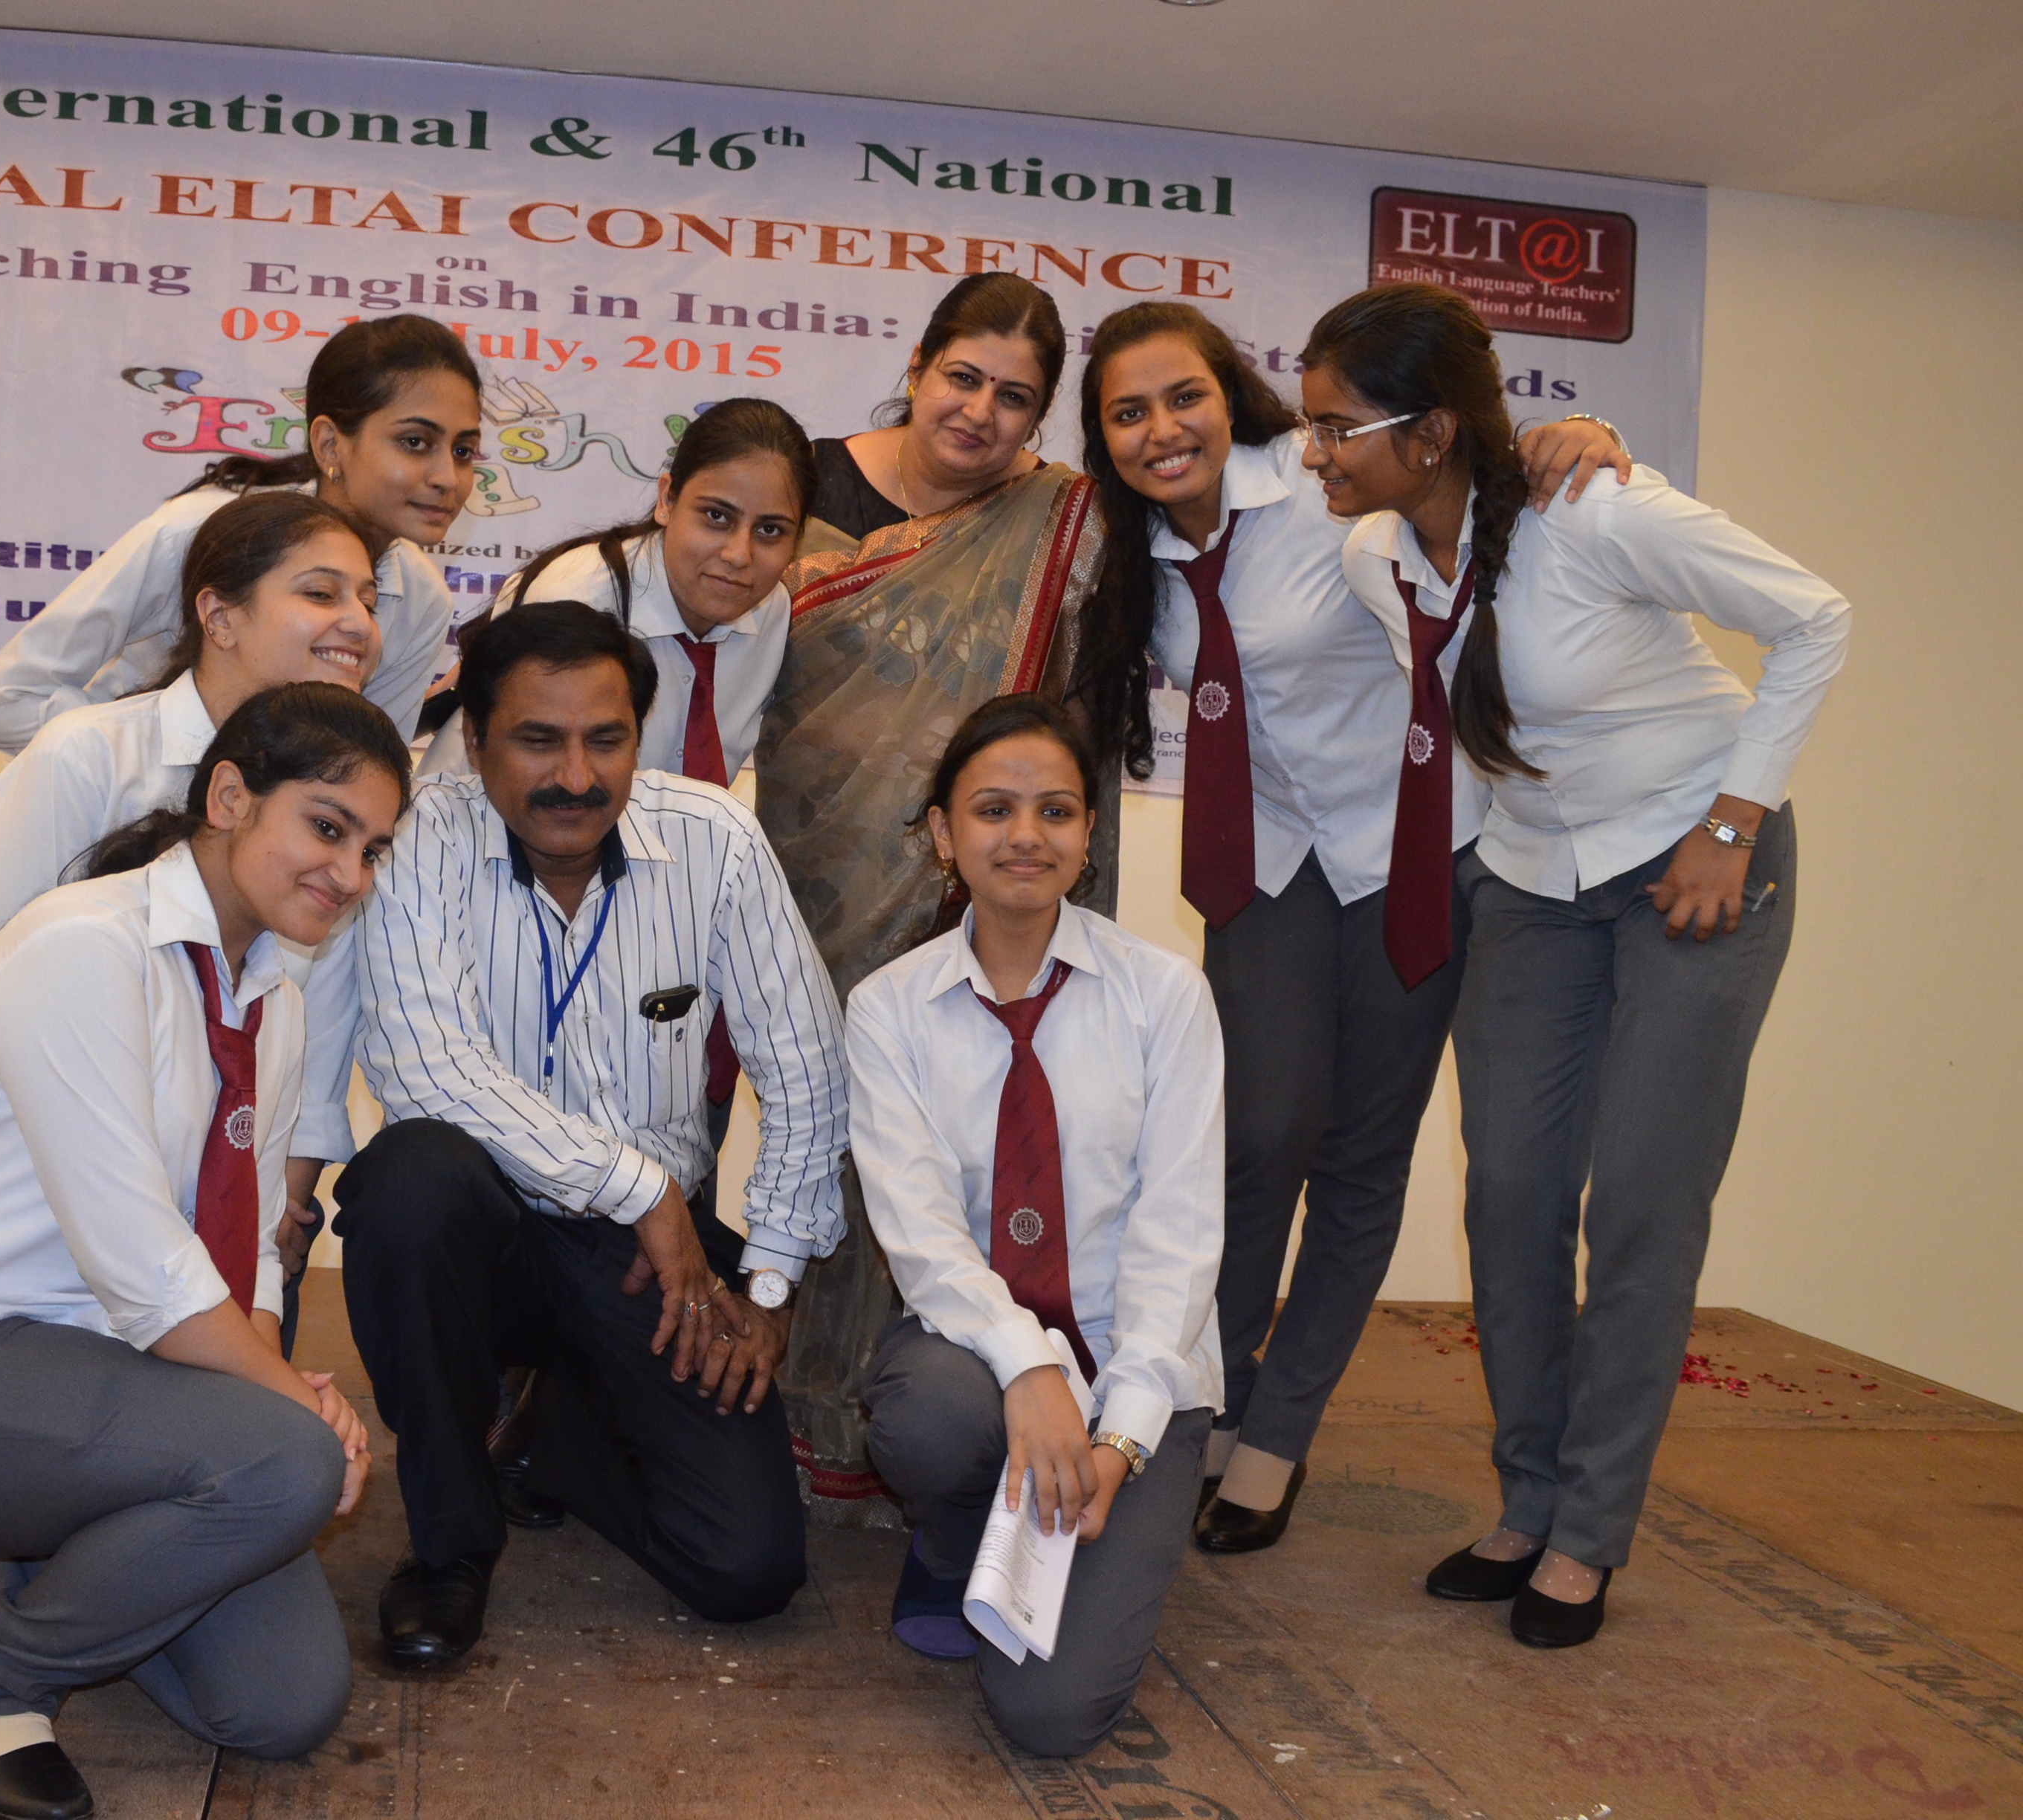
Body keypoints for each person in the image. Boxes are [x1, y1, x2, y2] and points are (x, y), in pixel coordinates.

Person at [1303, 283, 1850, 1647]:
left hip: (1692, 869)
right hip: (1533, 882)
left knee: (1644, 1205)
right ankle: (1528, 1500)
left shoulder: (1596, 513)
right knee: (1512, 1199)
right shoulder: (1377, 557)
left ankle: (1589, 1533)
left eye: (1335, 428)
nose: (1314, 452)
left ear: (1430, 432)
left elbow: (1815, 618)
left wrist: (1733, 824)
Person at [1074, 302, 1627, 1552]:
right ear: (1104, 438)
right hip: (1269, 860)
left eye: (1183, 397)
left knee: (1363, 1159)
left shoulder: (1324, 480)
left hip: (1413, 851)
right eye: (1127, 412)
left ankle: (1274, 1438)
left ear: (1231, 394)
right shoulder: (1127, 550)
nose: (1162, 430)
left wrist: (1584, 428)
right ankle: (1202, 1402)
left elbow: (1469, 474)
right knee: (1254, 1140)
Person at [0, 683, 409, 1818]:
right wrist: (295, 1413)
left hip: (105, 1386)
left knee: (281, 1706)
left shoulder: (273, 1001)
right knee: (287, 1462)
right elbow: (143, 1266)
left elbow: (247, 1254)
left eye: (374, 848)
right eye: (328, 827)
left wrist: (273, 1392)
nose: (351, 873)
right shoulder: (82, 945)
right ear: (229, 798)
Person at [340, 601, 848, 1669]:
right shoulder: (419, 839)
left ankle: (558, 1439)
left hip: (644, 1265)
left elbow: (805, 1065)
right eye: (538, 740)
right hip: (488, 1236)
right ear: (477, 741)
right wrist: (639, 1189)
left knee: (747, 1568)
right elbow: (425, 1067)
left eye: (605, 740)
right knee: (408, 1184)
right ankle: (450, 1548)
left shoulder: (714, 839)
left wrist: (768, 1285)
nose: (575, 776)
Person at [755, 271, 1113, 1520]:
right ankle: (783, 1393)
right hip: (804, 875)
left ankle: (893, 1407)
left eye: (1015, 397)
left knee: (931, 1139)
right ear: (915, 368)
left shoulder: (1057, 519)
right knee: (810, 1126)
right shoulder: (800, 482)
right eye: (962, 377)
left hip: (965, 895)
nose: (979, 412)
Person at [850, 693, 1223, 1757]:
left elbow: (1181, 1232)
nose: (1026, 836)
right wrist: (1029, 1370)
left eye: (1056, 811)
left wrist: (1121, 1435)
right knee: (926, 1420)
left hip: (1140, 1365)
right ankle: (957, 1540)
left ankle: (1086, 1530)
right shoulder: (889, 1009)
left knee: (1049, 1718)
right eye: (994, 810)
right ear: (943, 834)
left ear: (1089, 832)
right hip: (980, 1361)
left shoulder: (1166, 996)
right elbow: (923, 1238)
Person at [0, 494, 389, 1348]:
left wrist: (286, 1192)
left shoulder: (349, 809)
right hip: (57, 1209)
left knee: (266, 1413)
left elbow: (317, 1016)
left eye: (369, 600)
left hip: (240, 1200)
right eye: (321, 593)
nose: (358, 623)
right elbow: (7, 992)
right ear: (219, 616)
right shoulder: (86, 759)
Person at [0, 314, 481, 753]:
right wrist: (144, 765)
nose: (446, 477)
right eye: (415, 442)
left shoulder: (421, 601)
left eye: (463, 451)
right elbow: (4, 703)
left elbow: (364, 764)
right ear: (329, 445)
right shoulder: (193, 534)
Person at [422, 397, 816, 787]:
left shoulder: (772, 612)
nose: (739, 555)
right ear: (667, 500)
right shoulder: (576, 599)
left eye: (770, 530)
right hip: (481, 814)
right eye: (716, 516)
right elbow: (537, 786)